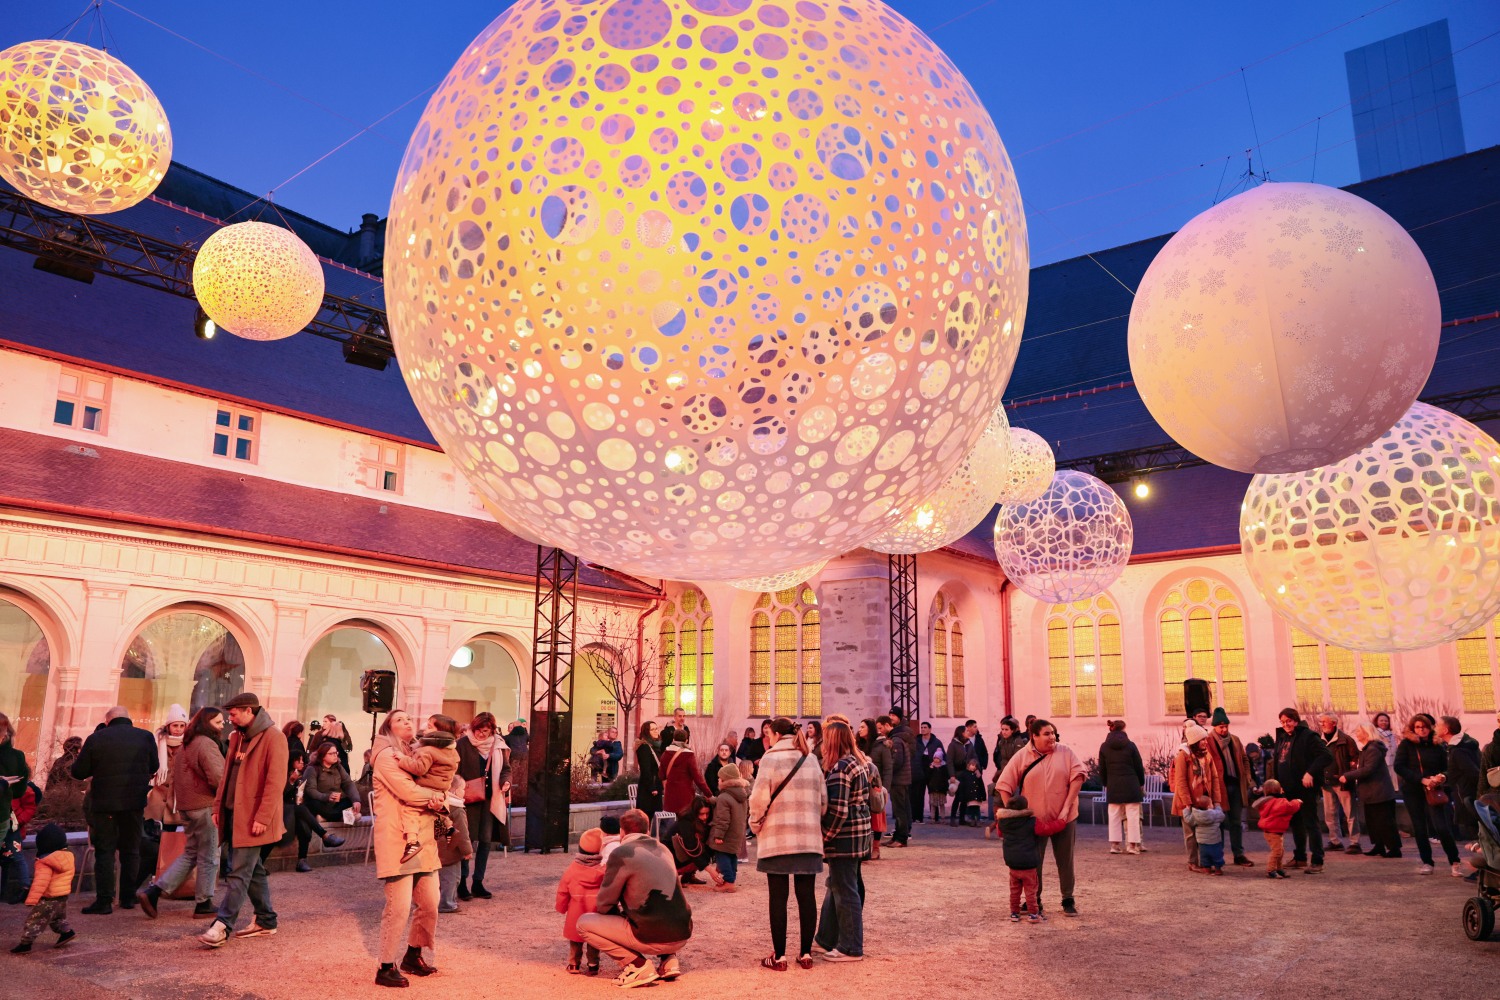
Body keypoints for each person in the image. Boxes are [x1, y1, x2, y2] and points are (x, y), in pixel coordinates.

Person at [197, 693, 287, 948]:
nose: (230, 718)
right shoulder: (237, 737)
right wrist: (218, 807)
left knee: (238, 872)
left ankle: (222, 925)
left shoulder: (274, 738)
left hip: (254, 818)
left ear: (249, 711)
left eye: (234, 713)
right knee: (252, 869)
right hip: (235, 815)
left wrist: (262, 817)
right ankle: (267, 920)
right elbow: (226, 777)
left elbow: (275, 783)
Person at [369, 710, 446, 987]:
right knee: (398, 906)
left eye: (408, 719)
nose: (407, 722)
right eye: (399, 719)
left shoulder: (415, 754)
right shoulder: (386, 756)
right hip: (397, 837)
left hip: (422, 835)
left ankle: (413, 954)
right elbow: (408, 792)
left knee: (430, 902)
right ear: (388, 727)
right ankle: (385, 966)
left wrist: (440, 799)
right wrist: (441, 797)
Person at [577, 808, 693, 988]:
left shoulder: (622, 853)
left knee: (584, 923)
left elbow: (604, 904)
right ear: (647, 830)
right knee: (661, 905)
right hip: (682, 933)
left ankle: (636, 965)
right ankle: (669, 961)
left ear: (622, 832)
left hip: (650, 935)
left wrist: (618, 915)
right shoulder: (663, 848)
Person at [749, 717, 826, 971]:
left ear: (775, 734)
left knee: (778, 898)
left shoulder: (770, 758)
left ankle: (779, 956)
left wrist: (755, 824)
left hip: (777, 837)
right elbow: (823, 801)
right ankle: (805, 954)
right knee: (806, 897)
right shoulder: (811, 759)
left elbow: (758, 799)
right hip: (807, 838)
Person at [137, 707, 225, 918]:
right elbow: (218, 777)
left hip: (186, 807)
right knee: (209, 855)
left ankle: (154, 891)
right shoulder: (206, 744)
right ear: (207, 723)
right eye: (219, 722)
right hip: (204, 806)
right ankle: (204, 903)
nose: (222, 726)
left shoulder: (188, 743)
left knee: (192, 853)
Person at [996, 719, 1087, 917]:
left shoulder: (1066, 752)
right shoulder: (1022, 756)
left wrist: (1066, 808)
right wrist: (1015, 814)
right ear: (1034, 736)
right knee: (1034, 861)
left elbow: (1078, 777)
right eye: (1046, 733)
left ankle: (1068, 899)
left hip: (1065, 817)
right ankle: (1034, 900)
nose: (1052, 737)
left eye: (1053, 733)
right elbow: (1004, 784)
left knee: (1066, 860)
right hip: (1035, 822)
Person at [71, 706, 157, 914]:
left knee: (105, 851)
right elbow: (154, 765)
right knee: (131, 850)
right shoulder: (145, 737)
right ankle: (127, 898)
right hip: (134, 804)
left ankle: (104, 901)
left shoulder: (97, 738)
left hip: (104, 804)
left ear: (108, 720)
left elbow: (79, 771)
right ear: (129, 719)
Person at [813, 720, 870, 962]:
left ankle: (850, 947)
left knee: (845, 890)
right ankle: (825, 938)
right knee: (840, 885)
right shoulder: (858, 762)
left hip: (845, 836)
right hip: (858, 834)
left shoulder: (841, 768)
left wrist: (824, 839)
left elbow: (837, 811)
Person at [1393, 713, 1462, 876]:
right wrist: (1421, 779)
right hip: (1413, 790)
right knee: (1420, 827)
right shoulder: (1406, 744)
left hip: (1434, 790)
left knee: (1442, 827)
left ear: (1429, 727)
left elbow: (1447, 767)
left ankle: (1455, 861)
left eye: (1424, 726)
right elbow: (1399, 767)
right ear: (1413, 728)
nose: (1421, 729)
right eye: (1417, 727)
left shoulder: (1437, 745)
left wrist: (1439, 777)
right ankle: (1427, 862)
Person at [1266, 708, 1331, 874]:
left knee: (1310, 822)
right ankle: (1300, 858)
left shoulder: (1308, 736)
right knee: (1295, 824)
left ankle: (1317, 860)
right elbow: (1278, 761)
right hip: (1287, 789)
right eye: (1282, 722)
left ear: (1295, 720)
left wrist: (1310, 773)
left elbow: (1326, 756)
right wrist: (1277, 782)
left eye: (1288, 721)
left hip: (1305, 788)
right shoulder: (1281, 738)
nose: (1286, 724)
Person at [454, 712, 510, 900]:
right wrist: (460, 787)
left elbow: (506, 769)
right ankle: (462, 882)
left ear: (492, 730)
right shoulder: (462, 744)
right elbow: (455, 770)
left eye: (485, 731)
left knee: (485, 841)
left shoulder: (499, 745)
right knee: (466, 841)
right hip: (467, 799)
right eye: (477, 730)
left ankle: (478, 881)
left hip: (490, 799)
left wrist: (505, 782)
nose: (480, 734)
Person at [424, 715, 472, 915]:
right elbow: (462, 832)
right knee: (452, 877)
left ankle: (434, 901)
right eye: (463, 790)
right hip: (451, 849)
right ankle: (448, 903)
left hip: (437, 845)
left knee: (436, 876)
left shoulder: (442, 802)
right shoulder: (457, 808)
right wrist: (467, 850)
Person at [395, 721, 459, 863]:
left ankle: (412, 842)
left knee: (410, 810)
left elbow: (419, 768)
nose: (424, 729)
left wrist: (403, 759)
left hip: (427, 788)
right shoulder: (453, 753)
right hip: (441, 790)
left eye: (429, 727)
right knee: (438, 809)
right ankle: (449, 827)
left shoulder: (428, 751)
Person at [1170, 721, 1227, 874]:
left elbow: (1214, 777)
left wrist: (1216, 801)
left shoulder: (1206, 755)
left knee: (1206, 832)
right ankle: (1192, 862)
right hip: (1187, 800)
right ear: (1194, 741)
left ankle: (1206, 862)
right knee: (1190, 833)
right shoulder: (1184, 755)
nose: (1205, 741)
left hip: (1204, 799)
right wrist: (1187, 803)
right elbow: (1181, 781)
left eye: (1205, 739)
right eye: (1202, 739)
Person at [10, 823, 74, 954]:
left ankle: (26, 943)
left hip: (48, 898)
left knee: (35, 919)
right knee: (57, 918)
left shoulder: (44, 862)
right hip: (62, 895)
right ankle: (67, 932)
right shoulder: (67, 856)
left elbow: (40, 882)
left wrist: (31, 900)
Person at [1340, 723, 1400, 858]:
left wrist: (1348, 776)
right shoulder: (1368, 749)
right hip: (1371, 793)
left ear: (1366, 733)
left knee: (1385, 821)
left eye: (1358, 731)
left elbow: (1368, 769)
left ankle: (1394, 848)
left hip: (1379, 792)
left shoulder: (1373, 749)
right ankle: (1379, 846)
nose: (1356, 733)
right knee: (1373, 821)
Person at [556, 827, 604, 976]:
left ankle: (573, 964)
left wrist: (561, 907)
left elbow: (563, 890)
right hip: (595, 911)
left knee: (575, 940)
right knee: (594, 939)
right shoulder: (603, 870)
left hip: (576, 912)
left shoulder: (572, 869)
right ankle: (593, 964)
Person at [1210, 708, 1255, 866]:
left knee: (1236, 821)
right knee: (1219, 822)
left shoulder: (1235, 740)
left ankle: (1238, 854)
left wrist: (1247, 777)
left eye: (1226, 726)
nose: (1224, 729)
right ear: (1214, 727)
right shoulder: (1208, 741)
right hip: (1219, 788)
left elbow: (1244, 759)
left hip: (1235, 785)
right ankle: (1218, 856)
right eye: (1220, 727)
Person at [1097, 719, 1145, 854]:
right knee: (1133, 815)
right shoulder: (1130, 745)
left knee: (1113, 815)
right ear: (1123, 729)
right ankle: (1132, 845)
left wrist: (1106, 783)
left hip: (1113, 783)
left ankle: (1114, 845)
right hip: (1131, 783)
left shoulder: (1104, 746)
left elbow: (1102, 768)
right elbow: (1138, 766)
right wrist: (1141, 782)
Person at [0, 712, 33, 905]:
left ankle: (25, 886)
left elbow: (25, 796)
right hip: (5, 814)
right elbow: (21, 790)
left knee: (15, 854)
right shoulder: (16, 756)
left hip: (9, 817)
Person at [1316, 713, 1360, 853]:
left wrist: (1348, 776)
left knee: (1350, 813)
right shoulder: (1318, 740)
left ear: (1333, 723)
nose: (1321, 724)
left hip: (1342, 782)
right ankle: (1335, 841)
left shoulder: (1346, 740)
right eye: (1321, 722)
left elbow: (1355, 760)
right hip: (1326, 782)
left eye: (1324, 722)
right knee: (1330, 814)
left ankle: (1355, 842)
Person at [997, 793, 1042, 922]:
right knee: (1031, 890)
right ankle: (1033, 914)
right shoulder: (1032, 822)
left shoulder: (1003, 822)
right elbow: (1045, 830)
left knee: (1014, 891)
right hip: (1029, 864)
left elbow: (1000, 833)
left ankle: (1014, 913)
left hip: (1013, 863)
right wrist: (1060, 822)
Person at [146, 704, 190, 827]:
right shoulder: (157, 742)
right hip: (156, 800)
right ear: (168, 726)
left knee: (172, 841)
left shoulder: (189, 744)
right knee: (152, 839)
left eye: (182, 726)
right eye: (175, 725)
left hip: (177, 802)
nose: (178, 729)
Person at [1435, 716, 1481, 835]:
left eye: (1438, 725)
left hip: (1466, 795)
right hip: (1468, 793)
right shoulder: (1462, 744)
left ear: (1445, 730)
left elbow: (1472, 772)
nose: (1435, 728)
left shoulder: (1458, 750)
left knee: (1475, 828)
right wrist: (1444, 776)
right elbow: (1458, 768)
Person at [707, 761, 748, 892]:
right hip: (737, 832)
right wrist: (713, 800)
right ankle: (731, 880)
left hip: (726, 834)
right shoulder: (741, 795)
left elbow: (722, 819)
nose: (718, 780)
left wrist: (718, 836)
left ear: (725, 780)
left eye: (720, 778)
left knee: (722, 856)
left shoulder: (724, 797)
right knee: (732, 856)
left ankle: (729, 882)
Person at [302, 741, 361, 826]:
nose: (335, 755)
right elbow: (310, 790)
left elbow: (348, 783)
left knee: (349, 800)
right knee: (313, 803)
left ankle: (326, 818)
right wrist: (327, 797)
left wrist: (356, 800)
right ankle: (342, 817)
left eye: (336, 753)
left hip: (334, 804)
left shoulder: (338, 767)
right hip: (321, 802)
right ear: (323, 756)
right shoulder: (312, 769)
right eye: (331, 753)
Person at [1252, 779, 1301, 878]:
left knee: (1280, 851)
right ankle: (1271, 870)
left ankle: (1279, 868)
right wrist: (1297, 801)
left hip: (1270, 831)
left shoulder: (1266, 801)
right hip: (1274, 831)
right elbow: (1289, 807)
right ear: (1279, 790)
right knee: (1277, 851)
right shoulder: (1279, 801)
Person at [876, 715, 911, 848]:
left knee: (900, 809)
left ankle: (901, 838)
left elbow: (897, 761)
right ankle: (897, 836)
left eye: (880, 728)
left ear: (886, 725)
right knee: (899, 809)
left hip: (899, 780)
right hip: (900, 779)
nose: (880, 731)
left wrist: (887, 768)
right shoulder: (896, 738)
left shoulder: (896, 740)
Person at [669, 797, 717, 886]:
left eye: (707, 813)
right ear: (695, 812)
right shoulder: (685, 820)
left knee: (706, 850)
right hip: (673, 852)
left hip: (685, 849)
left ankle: (688, 876)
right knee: (699, 853)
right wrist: (710, 870)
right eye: (701, 814)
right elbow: (691, 846)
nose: (704, 817)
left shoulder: (705, 820)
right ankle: (673, 875)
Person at [661, 734, 711, 815]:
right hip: (685, 795)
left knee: (675, 820)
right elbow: (697, 777)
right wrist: (708, 794)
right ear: (686, 741)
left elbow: (661, 774)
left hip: (670, 794)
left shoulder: (665, 754)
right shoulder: (689, 755)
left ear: (673, 739)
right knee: (686, 819)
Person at [1183, 794, 1226, 875]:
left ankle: (1207, 869)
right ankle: (1218, 869)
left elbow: (1188, 819)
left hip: (1202, 842)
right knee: (1217, 855)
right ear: (1210, 806)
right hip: (1215, 841)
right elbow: (1222, 816)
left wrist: (1187, 809)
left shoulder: (1196, 816)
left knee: (1204, 857)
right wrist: (1218, 806)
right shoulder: (1215, 814)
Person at [913, 719, 940, 823]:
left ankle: (935, 817)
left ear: (930, 729)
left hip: (932, 772)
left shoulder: (936, 742)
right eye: (922, 727)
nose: (923, 729)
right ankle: (918, 817)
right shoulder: (917, 741)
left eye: (925, 727)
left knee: (934, 793)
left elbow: (942, 755)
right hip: (919, 770)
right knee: (918, 795)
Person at [635, 720, 663, 818]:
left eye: (656, 729)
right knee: (647, 816)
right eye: (652, 730)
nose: (656, 731)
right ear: (647, 732)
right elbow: (645, 769)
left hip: (657, 785)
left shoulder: (657, 746)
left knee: (655, 816)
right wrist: (652, 787)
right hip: (649, 788)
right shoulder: (644, 747)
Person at [955, 759, 985, 827]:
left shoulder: (978, 775)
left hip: (977, 795)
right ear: (969, 765)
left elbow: (981, 785)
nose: (973, 767)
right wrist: (962, 796)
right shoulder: (965, 774)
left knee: (977, 809)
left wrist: (983, 795)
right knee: (970, 809)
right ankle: (972, 820)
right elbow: (962, 786)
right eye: (972, 765)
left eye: (975, 766)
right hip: (969, 796)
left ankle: (978, 820)